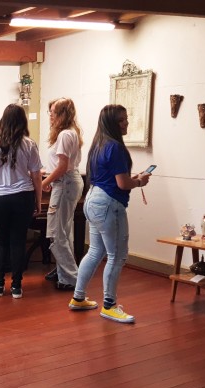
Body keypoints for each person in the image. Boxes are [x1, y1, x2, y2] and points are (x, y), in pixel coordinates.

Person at [68, 104, 151, 323]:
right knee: (117, 255)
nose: (126, 123)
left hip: (93, 199)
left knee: (95, 251)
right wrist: (139, 181)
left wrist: (133, 178)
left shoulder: (99, 144)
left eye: (126, 118)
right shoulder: (115, 147)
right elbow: (122, 184)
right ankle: (109, 305)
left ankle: (78, 297)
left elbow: (113, 178)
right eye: (121, 120)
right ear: (112, 124)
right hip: (108, 204)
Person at [0, 104, 43, 299]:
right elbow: (36, 175)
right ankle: (16, 286)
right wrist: (38, 200)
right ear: (22, 121)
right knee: (18, 241)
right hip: (22, 196)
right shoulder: (29, 144)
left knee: (0, 240)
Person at [41, 98, 84, 291]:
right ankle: (63, 271)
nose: (50, 115)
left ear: (62, 114)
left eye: (53, 112)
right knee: (64, 231)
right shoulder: (69, 133)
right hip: (65, 182)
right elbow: (60, 166)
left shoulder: (66, 134)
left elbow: (62, 166)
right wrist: (48, 175)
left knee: (56, 233)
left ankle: (71, 277)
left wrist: (44, 182)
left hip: (65, 183)